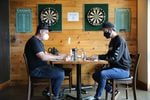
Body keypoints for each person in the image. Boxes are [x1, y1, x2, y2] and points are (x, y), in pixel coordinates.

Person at [24, 24, 66, 100]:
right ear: (40, 31)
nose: (47, 34)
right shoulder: (33, 42)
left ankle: (49, 91)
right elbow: (43, 57)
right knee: (60, 73)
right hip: (36, 70)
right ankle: (55, 96)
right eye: (46, 32)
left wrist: (58, 55)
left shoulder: (38, 42)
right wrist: (58, 57)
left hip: (41, 67)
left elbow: (45, 54)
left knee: (58, 68)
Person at [91, 22, 131, 100]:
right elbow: (108, 55)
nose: (104, 33)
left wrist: (100, 58)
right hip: (115, 68)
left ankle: (97, 97)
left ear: (110, 30)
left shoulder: (120, 40)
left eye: (104, 31)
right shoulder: (112, 41)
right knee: (95, 75)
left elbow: (114, 58)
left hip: (123, 70)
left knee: (103, 74)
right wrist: (97, 56)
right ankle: (113, 91)